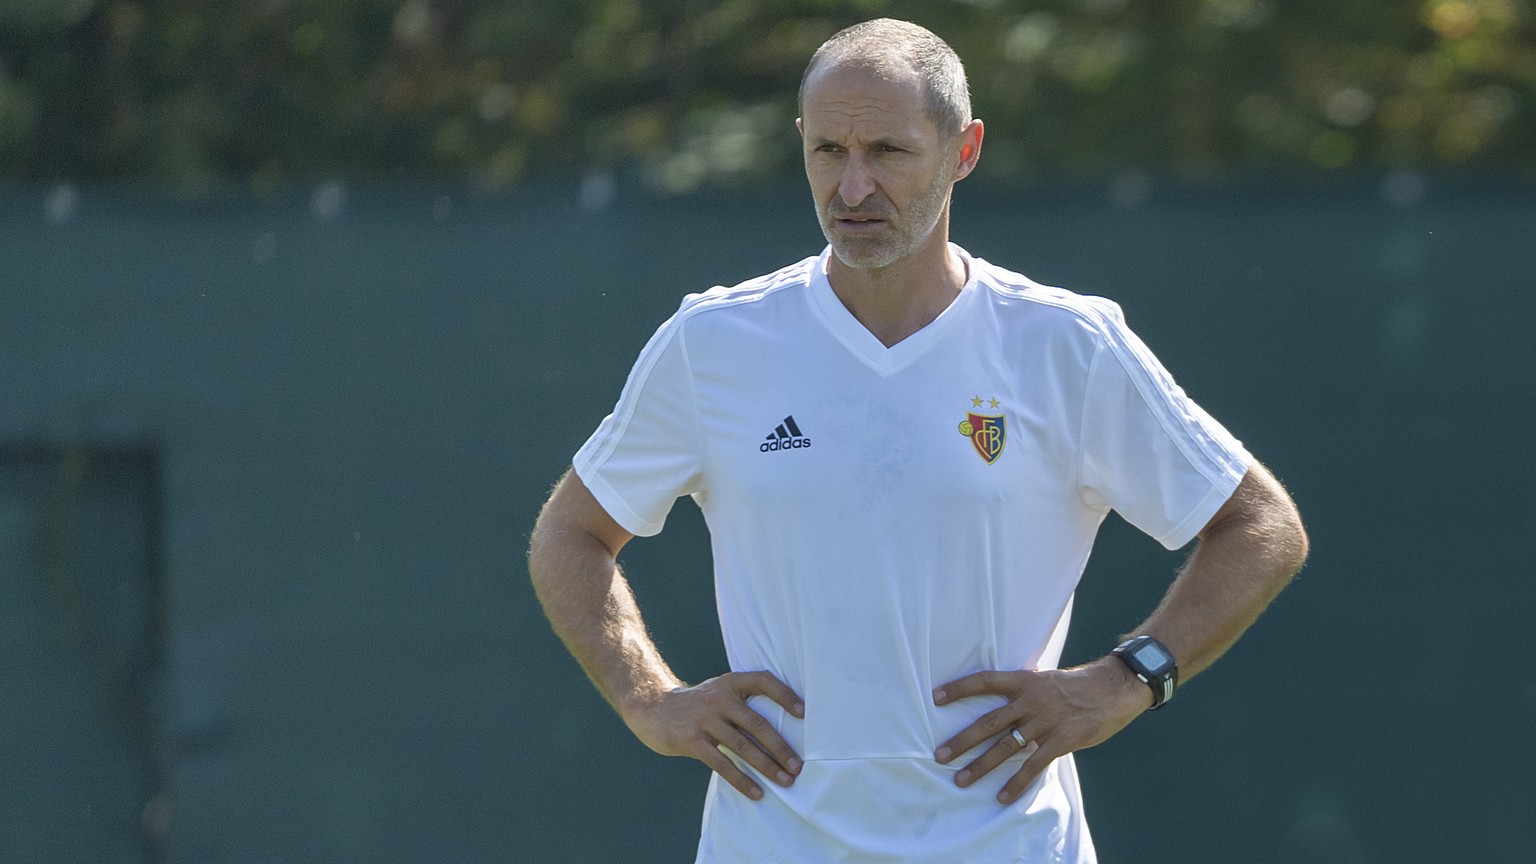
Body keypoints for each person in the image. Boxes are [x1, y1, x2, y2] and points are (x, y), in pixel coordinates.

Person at [528, 17, 1308, 863]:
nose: (852, 187)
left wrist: (1126, 681)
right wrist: (649, 698)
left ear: (963, 150)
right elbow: (571, 534)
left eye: (889, 153)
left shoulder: (1065, 344)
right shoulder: (715, 342)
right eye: (828, 150)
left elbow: (1261, 528)